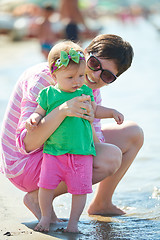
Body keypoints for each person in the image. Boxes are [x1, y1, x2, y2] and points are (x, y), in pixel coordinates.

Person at [0, 34, 144, 224]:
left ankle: (102, 203)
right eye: (94, 64)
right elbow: (26, 144)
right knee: (109, 157)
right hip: (22, 164)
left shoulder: (89, 89)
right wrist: (62, 111)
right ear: (85, 53)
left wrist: (92, 121)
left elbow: (95, 141)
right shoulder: (43, 78)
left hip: (54, 148)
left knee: (133, 134)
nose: (95, 76)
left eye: (107, 75)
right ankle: (39, 197)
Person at [26, 40, 124, 232]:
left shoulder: (86, 91)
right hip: (53, 152)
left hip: (81, 152)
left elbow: (95, 110)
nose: (77, 81)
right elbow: (39, 111)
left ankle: (73, 223)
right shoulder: (48, 94)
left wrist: (111, 112)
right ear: (54, 75)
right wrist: (34, 118)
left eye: (80, 75)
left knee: (80, 190)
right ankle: (45, 217)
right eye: (70, 77)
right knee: (46, 186)